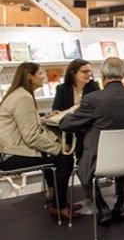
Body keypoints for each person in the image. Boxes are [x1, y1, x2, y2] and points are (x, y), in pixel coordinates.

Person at [60, 57, 124, 226]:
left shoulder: (93, 99)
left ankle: (101, 206)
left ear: (103, 74)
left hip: (98, 160)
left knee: (82, 162)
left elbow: (67, 124)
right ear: (123, 74)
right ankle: (122, 202)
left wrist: (70, 113)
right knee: (119, 156)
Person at [0, 62, 76, 219]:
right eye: (39, 73)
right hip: (12, 154)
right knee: (64, 157)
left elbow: (22, 123)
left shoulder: (19, 94)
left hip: (10, 150)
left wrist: (44, 118)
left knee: (56, 154)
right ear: (29, 77)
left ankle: (56, 198)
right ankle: (59, 206)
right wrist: (58, 148)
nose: (42, 77)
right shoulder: (23, 97)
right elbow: (31, 137)